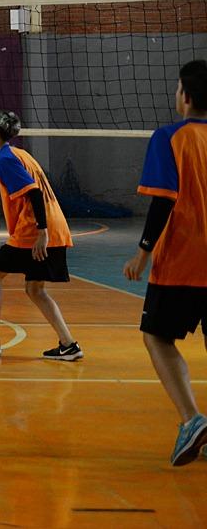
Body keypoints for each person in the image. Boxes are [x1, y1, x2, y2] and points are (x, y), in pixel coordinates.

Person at [123, 59, 207, 466]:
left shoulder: (170, 137)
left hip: (184, 261)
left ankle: (192, 419)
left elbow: (163, 201)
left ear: (186, 97)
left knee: (157, 336)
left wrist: (143, 251)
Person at [0, 109, 82, 361]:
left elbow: (34, 193)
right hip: (51, 226)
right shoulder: (18, 153)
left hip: (34, 230)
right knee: (35, 289)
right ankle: (69, 345)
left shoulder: (6, 159)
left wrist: (41, 233)